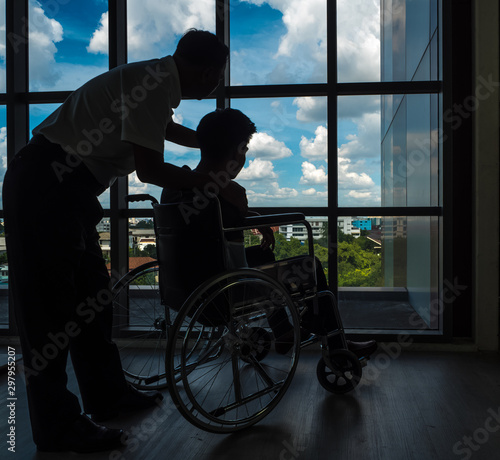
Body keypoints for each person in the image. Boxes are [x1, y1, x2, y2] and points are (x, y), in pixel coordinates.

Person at [2, 29, 243, 453]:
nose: (217, 84)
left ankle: (108, 395)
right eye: (219, 76)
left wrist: (210, 144)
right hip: (46, 187)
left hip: (62, 190)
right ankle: (58, 428)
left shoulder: (153, 83)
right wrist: (213, 180)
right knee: (49, 313)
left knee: (90, 300)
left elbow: (162, 129)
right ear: (209, 72)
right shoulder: (152, 85)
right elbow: (150, 170)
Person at [161, 108, 377, 358]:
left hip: (187, 289)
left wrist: (252, 219)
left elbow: (222, 222)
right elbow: (230, 214)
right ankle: (336, 344)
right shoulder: (230, 193)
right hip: (226, 291)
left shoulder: (178, 187)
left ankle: (283, 330)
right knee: (312, 266)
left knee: (261, 257)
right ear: (237, 152)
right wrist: (257, 218)